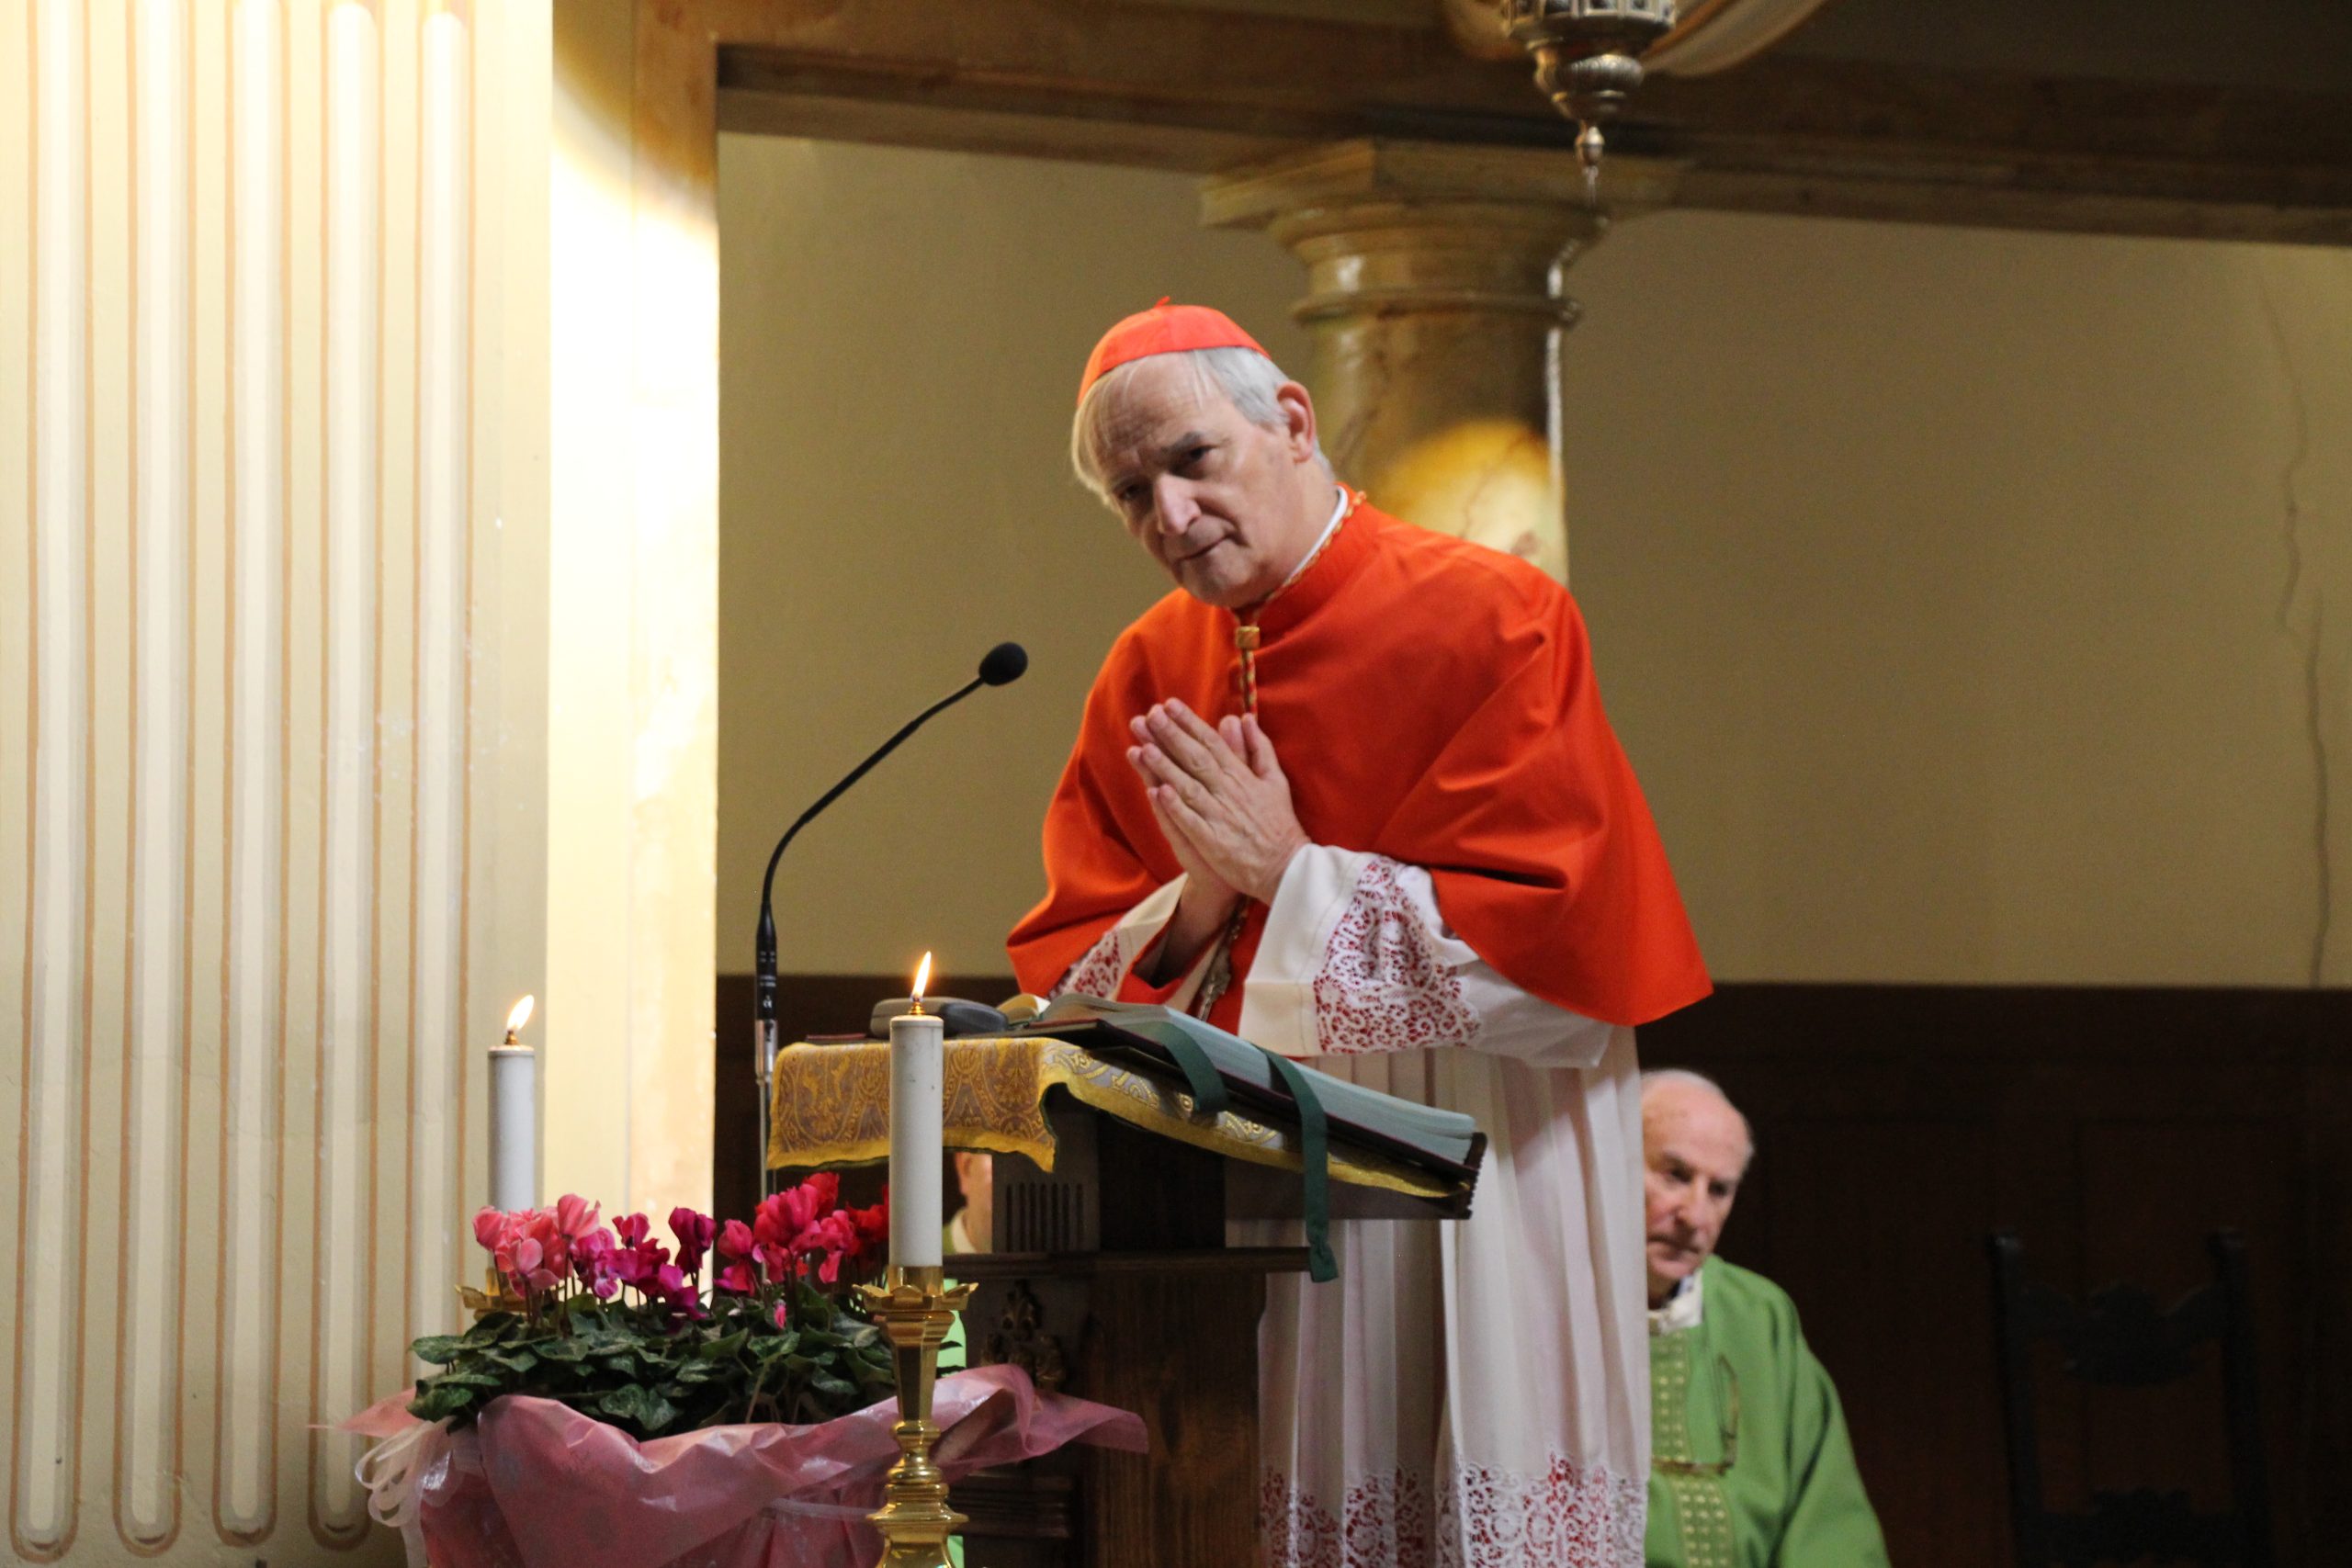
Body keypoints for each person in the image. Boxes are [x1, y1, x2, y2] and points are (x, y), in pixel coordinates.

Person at [1008, 300, 1711, 1566]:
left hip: (1487, 1160)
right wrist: (1204, 904)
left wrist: (1292, 873)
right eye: (1128, 491)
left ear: (1289, 421)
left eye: (1189, 460)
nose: (1166, 515)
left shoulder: (1497, 617)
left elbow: (1562, 954)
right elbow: (1076, 969)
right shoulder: (1144, 668)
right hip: (1236, 1198)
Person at [1639, 1069, 1890, 1568]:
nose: (1695, 1216)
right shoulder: (1553, 1309)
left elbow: (1828, 1523)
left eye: (1720, 1190)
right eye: (1675, 1175)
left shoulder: (1761, 1317)